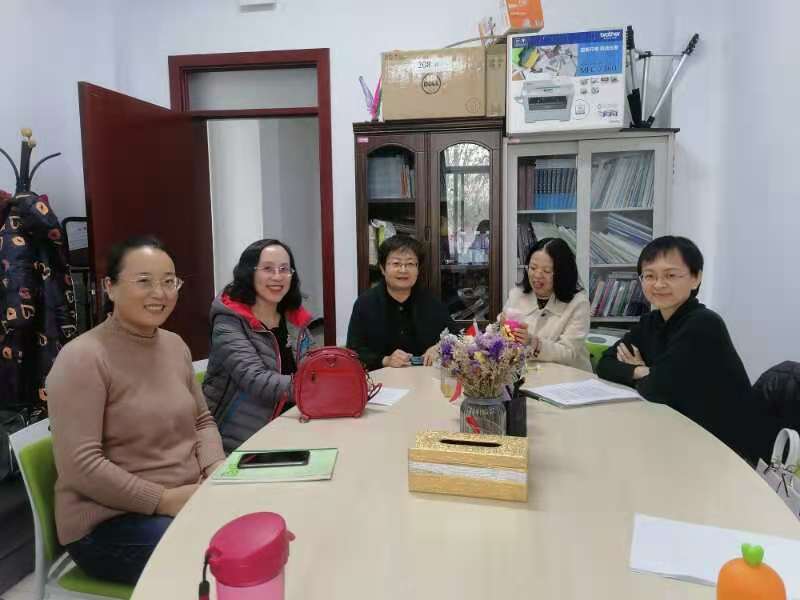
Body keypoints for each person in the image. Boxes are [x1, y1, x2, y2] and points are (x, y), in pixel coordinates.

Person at [46, 236, 225, 585]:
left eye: (169, 281)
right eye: (144, 281)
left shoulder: (174, 345)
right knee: (221, 557)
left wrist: (215, 468)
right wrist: (164, 500)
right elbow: (80, 465)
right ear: (109, 287)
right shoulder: (83, 357)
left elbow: (202, 421)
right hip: (108, 525)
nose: (160, 293)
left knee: (265, 524)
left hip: (184, 497)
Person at [596, 236, 764, 462]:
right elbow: (605, 364)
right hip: (677, 435)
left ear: (696, 278)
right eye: (649, 276)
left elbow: (656, 390)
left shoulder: (704, 324)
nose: (658, 284)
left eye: (671, 275)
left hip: (723, 452)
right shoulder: (651, 322)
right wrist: (643, 371)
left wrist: (650, 377)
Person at [203, 239, 315, 452]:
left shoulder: (293, 318)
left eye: (284, 269)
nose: (277, 276)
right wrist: (316, 387)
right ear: (249, 272)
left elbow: (313, 364)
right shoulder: (228, 321)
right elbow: (255, 378)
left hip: (292, 427)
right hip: (239, 440)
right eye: (268, 269)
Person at [347, 235, 455, 370]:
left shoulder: (431, 302)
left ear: (418, 269)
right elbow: (353, 351)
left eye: (410, 264)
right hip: (382, 378)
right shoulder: (365, 303)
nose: (403, 270)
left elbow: (456, 336)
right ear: (382, 268)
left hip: (424, 376)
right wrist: (386, 360)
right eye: (396, 264)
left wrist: (439, 348)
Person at [502, 237, 592, 372]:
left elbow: (569, 353)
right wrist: (500, 328)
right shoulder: (517, 294)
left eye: (547, 271)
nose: (537, 275)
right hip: (526, 374)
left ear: (562, 274)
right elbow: (502, 337)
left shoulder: (579, 303)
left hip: (568, 376)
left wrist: (533, 343)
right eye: (533, 268)